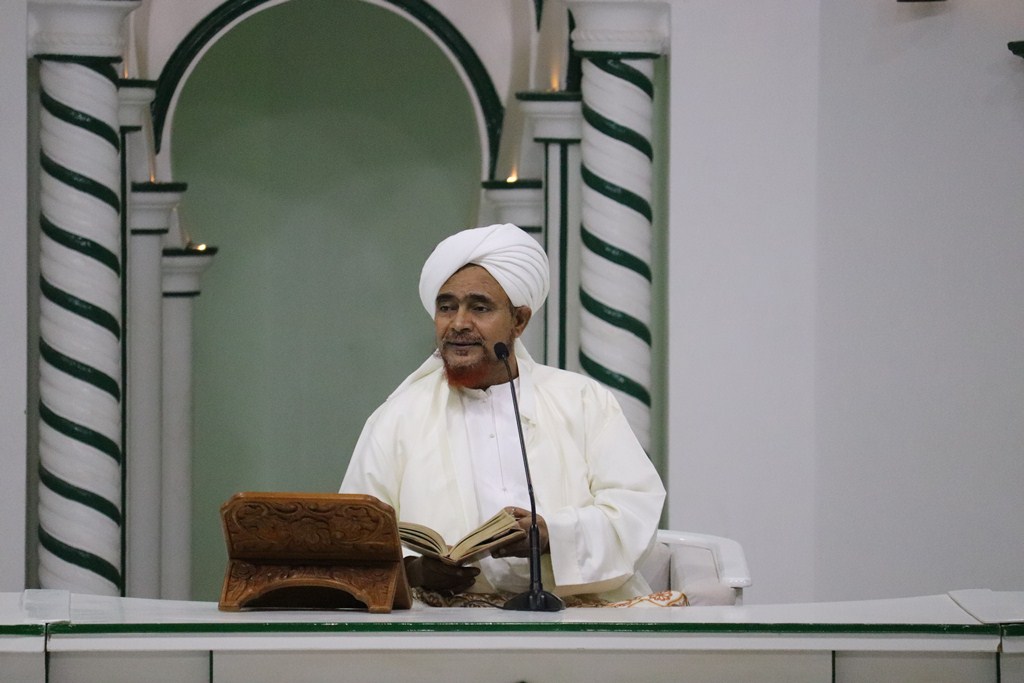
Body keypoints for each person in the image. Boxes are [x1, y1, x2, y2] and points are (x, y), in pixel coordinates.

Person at [340, 223, 666, 602]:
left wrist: (550, 536)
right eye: (447, 307)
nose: (458, 324)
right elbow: (353, 536)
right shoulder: (397, 419)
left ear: (519, 321)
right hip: (443, 618)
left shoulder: (582, 401)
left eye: (479, 307)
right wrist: (414, 571)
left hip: (576, 611)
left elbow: (634, 509)